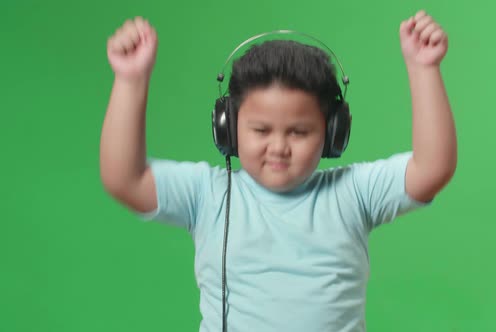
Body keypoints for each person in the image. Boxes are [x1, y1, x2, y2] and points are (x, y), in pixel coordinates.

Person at [100, 9, 457, 332]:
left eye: (299, 132)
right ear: (228, 128)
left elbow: (432, 168)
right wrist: (130, 81)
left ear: (334, 133)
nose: (279, 147)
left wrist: (423, 69)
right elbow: (125, 179)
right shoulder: (207, 193)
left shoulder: (353, 192)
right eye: (261, 130)